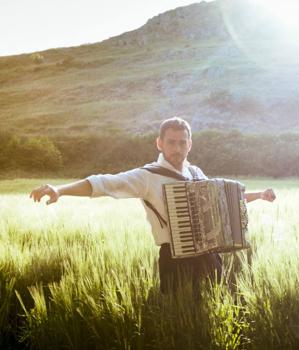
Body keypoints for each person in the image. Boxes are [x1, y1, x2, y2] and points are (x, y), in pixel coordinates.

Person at [30, 117, 275, 294]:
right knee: (178, 324)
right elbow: (105, 183)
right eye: (171, 142)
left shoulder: (196, 172)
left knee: (213, 314)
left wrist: (260, 195)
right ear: (160, 143)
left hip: (210, 257)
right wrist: (60, 190)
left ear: (189, 144)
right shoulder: (147, 176)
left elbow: (225, 199)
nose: (177, 148)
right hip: (174, 259)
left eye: (182, 142)